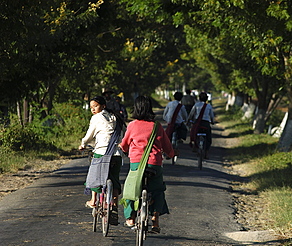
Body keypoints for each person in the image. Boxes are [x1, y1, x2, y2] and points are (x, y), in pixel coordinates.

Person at [119, 95, 174, 234]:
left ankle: (130, 218)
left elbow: (124, 145)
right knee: (158, 190)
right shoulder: (157, 126)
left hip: (136, 164)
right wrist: (171, 154)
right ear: (150, 108)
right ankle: (155, 220)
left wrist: (125, 150)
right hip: (154, 163)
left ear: (135, 108)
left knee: (130, 188)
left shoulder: (132, 125)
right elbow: (167, 146)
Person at [78, 96, 125, 226]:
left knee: (94, 176)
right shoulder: (116, 118)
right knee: (114, 180)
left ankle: (93, 200)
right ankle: (114, 206)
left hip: (101, 154)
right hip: (116, 155)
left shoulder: (96, 118)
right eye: (91, 107)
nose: (93, 109)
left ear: (103, 106)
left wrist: (82, 144)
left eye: (95, 106)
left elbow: (89, 135)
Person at [187, 92, 215, 159]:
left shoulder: (196, 105)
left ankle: (195, 146)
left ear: (199, 98)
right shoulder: (208, 106)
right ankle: (206, 152)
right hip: (206, 123)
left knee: (194, 133)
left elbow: (191, 114)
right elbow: (211, 116)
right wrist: (212, 121)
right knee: (208, 138)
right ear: (207, 99)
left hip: (197, 123)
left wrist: (189, 120)